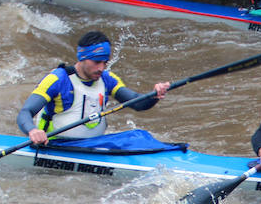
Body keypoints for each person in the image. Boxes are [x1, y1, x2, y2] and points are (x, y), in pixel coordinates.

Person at [16, 31, 171, 146]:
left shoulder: (107, 79)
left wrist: (155, 95)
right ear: (82, 57)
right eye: (97, 62)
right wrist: (33, 131)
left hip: (93, 145)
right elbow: (25, 113)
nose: (101, 68)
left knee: (139, 136)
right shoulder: (58, 79)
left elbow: (138, 104)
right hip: (56, 145)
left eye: (105, 62)